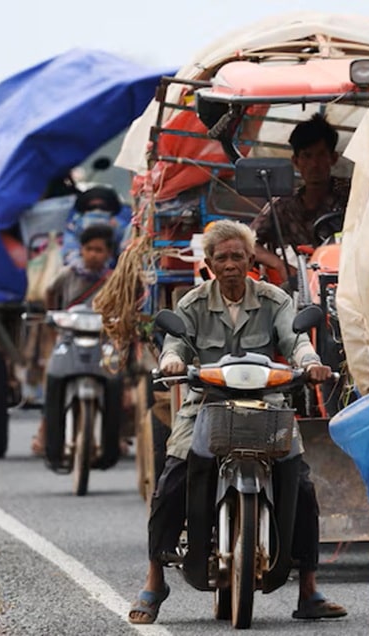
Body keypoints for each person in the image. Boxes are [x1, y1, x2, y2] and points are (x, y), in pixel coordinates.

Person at [128, 220, 346, 625]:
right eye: (222, 257)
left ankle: (309, 588)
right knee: (171, 481)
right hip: (205, 406)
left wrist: (310, 362)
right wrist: (172, 360)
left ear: (251, 260)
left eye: (238, 256)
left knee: (299, 482)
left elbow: (295, 339)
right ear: (209, 263)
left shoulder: (274, 299)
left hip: (267, 406)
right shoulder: (192, 304)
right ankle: (155, 579)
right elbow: (175, 343)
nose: (230, 264)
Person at [32, 224, 116, 457]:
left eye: (99, 250)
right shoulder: (68, 273)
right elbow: (50, 291)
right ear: (81, 249)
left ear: (108, 254)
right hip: (70, 337)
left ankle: (113, 435)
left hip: (101, 338)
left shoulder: (112, 279)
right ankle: (45, 431)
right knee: (54, 378)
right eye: (89, 249)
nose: (93, 254)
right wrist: (54, 315)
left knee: (116, 380)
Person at [249, 114, 352, 280]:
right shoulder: (284, 204)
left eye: (321, 155)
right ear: (296, 161)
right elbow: (248, 241)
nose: (314, 164)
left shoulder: (351, 194)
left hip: (348, 276)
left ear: (333, 159)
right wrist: (280, 265)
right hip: (303, 282)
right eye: (307, 156)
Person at [61, 186, 131, 268]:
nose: (97, 211)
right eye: (92, 207)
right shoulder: (74, 226)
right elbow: (69, 251)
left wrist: (117, 231)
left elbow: (126, 252)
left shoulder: (121, 227)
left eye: (102, 207)